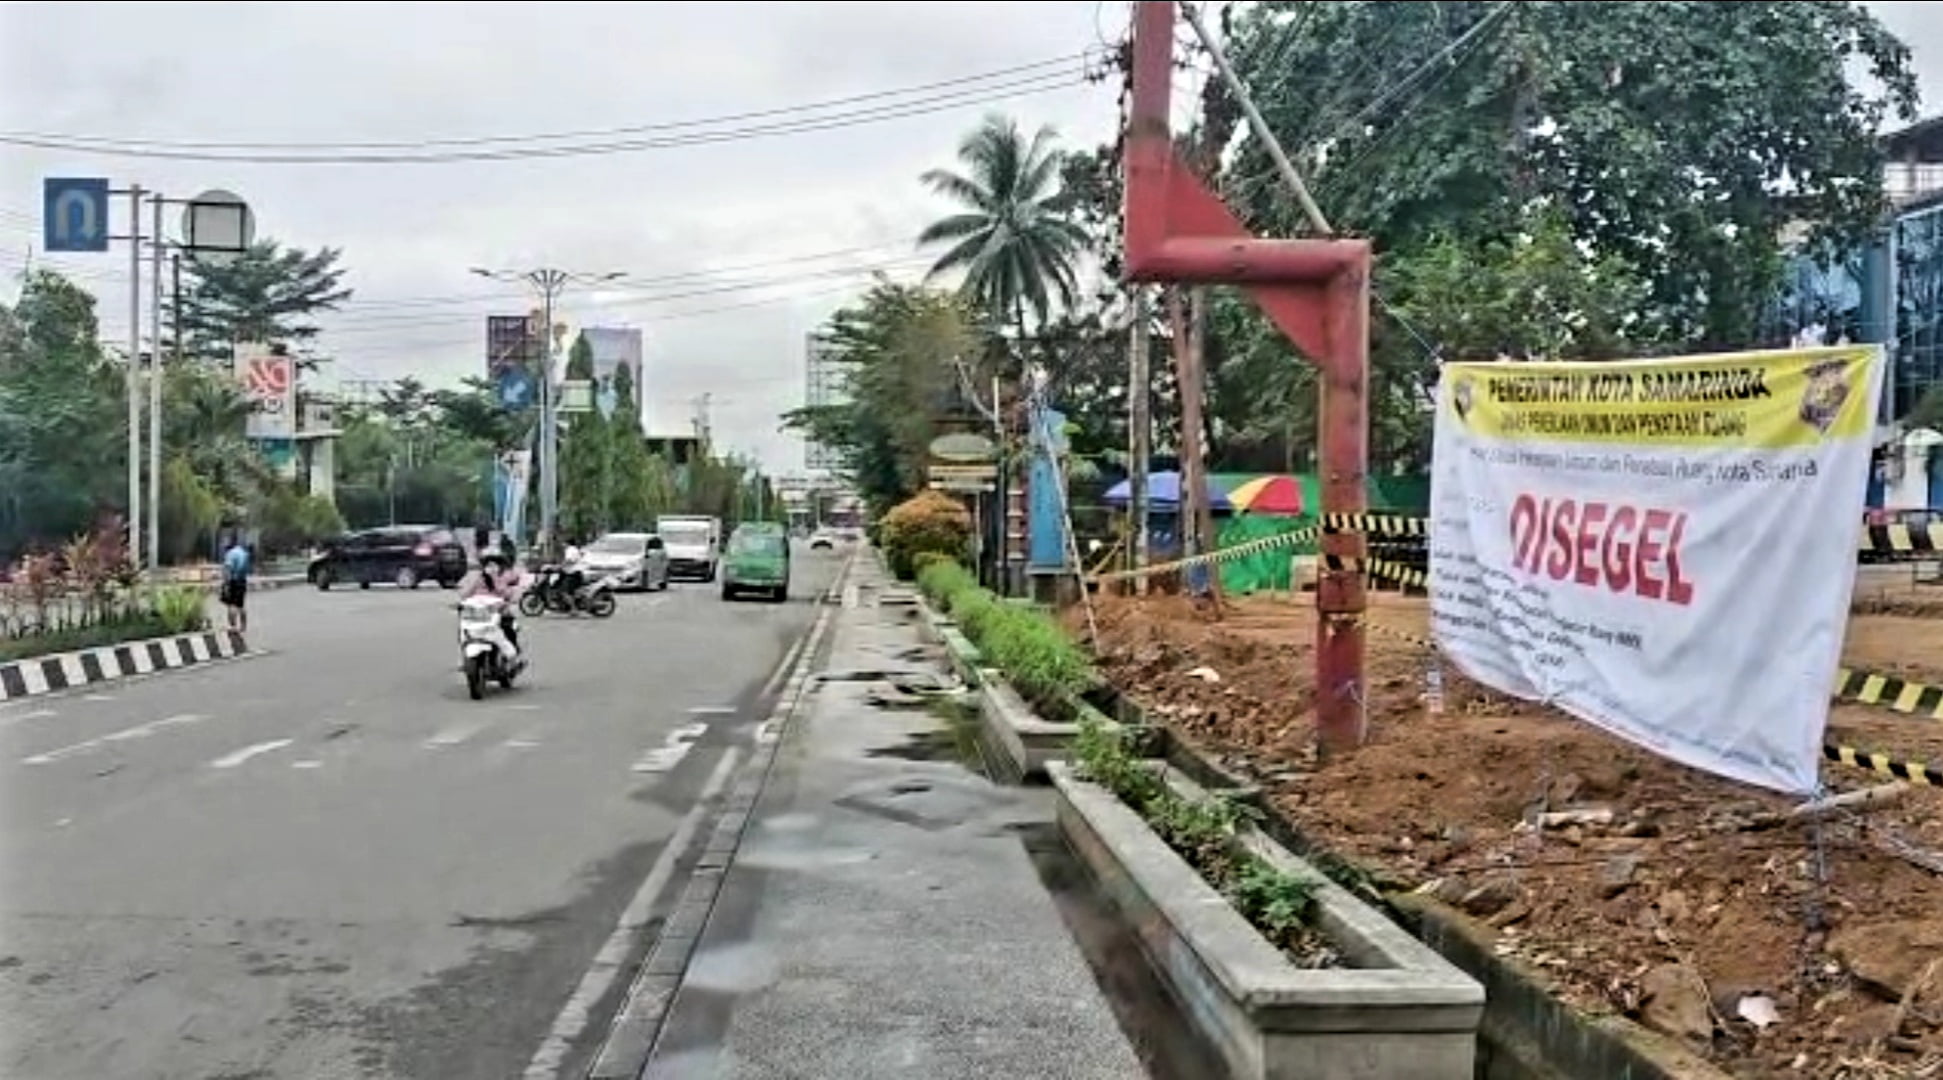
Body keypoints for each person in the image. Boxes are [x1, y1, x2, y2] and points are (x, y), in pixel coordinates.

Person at [461, 552, 525, 663]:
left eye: (494, 565)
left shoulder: (502, 578)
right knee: (465, 629)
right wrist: (462, 602)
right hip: (480, 614)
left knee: (508, 627)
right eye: (488, 566)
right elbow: (467, 593)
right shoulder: (478, 579)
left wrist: (505, 596)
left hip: (498, 613)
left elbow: (508, 593)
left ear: (499, 567)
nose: (491, 568)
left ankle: (512, 653)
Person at [220, 534, 252, 634]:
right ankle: (243, 626)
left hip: (233, 581)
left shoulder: (231, 553)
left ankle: (233, 626)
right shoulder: (244, 553)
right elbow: (248, 569)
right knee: (241, 604)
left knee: (232, 604)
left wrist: (226, 583)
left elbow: (228, 568)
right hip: (242, 580)